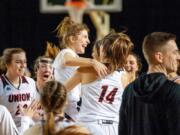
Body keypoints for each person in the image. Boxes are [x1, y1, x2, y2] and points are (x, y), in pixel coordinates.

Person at [64, 32, 134, 135]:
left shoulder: (86, 70)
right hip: (115, 128)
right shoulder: (125, 77)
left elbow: (60, 91)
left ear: (104, 50)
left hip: (89, 125)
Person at [119, 32, 180, 135]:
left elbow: (123, 131)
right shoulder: (174, 91)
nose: (178, 57)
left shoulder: (129, 91)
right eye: (175, 53)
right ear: (159, 57)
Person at [53, 17, 108, 121]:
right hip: (63, 107)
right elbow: (67, 60)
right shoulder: (65, 53)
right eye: (85, 37)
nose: (88, 41)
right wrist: (93, 62)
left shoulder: (76, 58)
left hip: (71, 106)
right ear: (72, 39)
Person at [0, 48, 39, 133]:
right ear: (7, 64)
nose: (23, 65)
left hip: (28, 126)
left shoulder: (30, 82)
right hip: (8, 129)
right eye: (18, 62)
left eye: (24, 62)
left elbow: (34, 110)